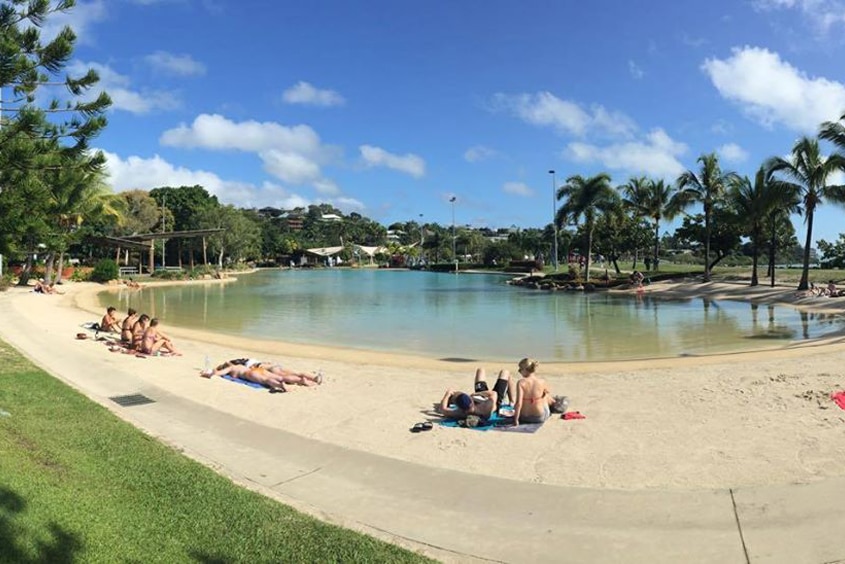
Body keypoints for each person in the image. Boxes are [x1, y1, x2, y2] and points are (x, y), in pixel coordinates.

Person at [437, 368, 513, 421]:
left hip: (481, 397)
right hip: (495, 400)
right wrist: (476, 394)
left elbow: (443, 409)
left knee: (480, 370)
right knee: (505, 372)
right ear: (471, 400)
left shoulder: (460, 413)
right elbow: (494, 394)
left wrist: (447, 394)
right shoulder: (486, 407)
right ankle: (512, 401)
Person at [206, 358, 323, 386]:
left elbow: (219, 372)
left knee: (280, 378)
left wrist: (212, 372)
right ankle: (313, 378)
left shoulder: (235, 367)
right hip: (268, 367)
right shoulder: (246, 361)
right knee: (293, 373)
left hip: (259, 371)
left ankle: (299, 381)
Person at [512, 357, 557, 427]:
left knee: (543, 395)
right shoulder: (542, 381)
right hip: (539, 418)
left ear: (526, 370)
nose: (519, 371)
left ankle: (553, 401)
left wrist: (516, 420)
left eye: (520, 369)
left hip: (524, 417)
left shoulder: (521, 383)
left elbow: (518, 403)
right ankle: (554, 403)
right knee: (545, 395)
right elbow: (547, 392)